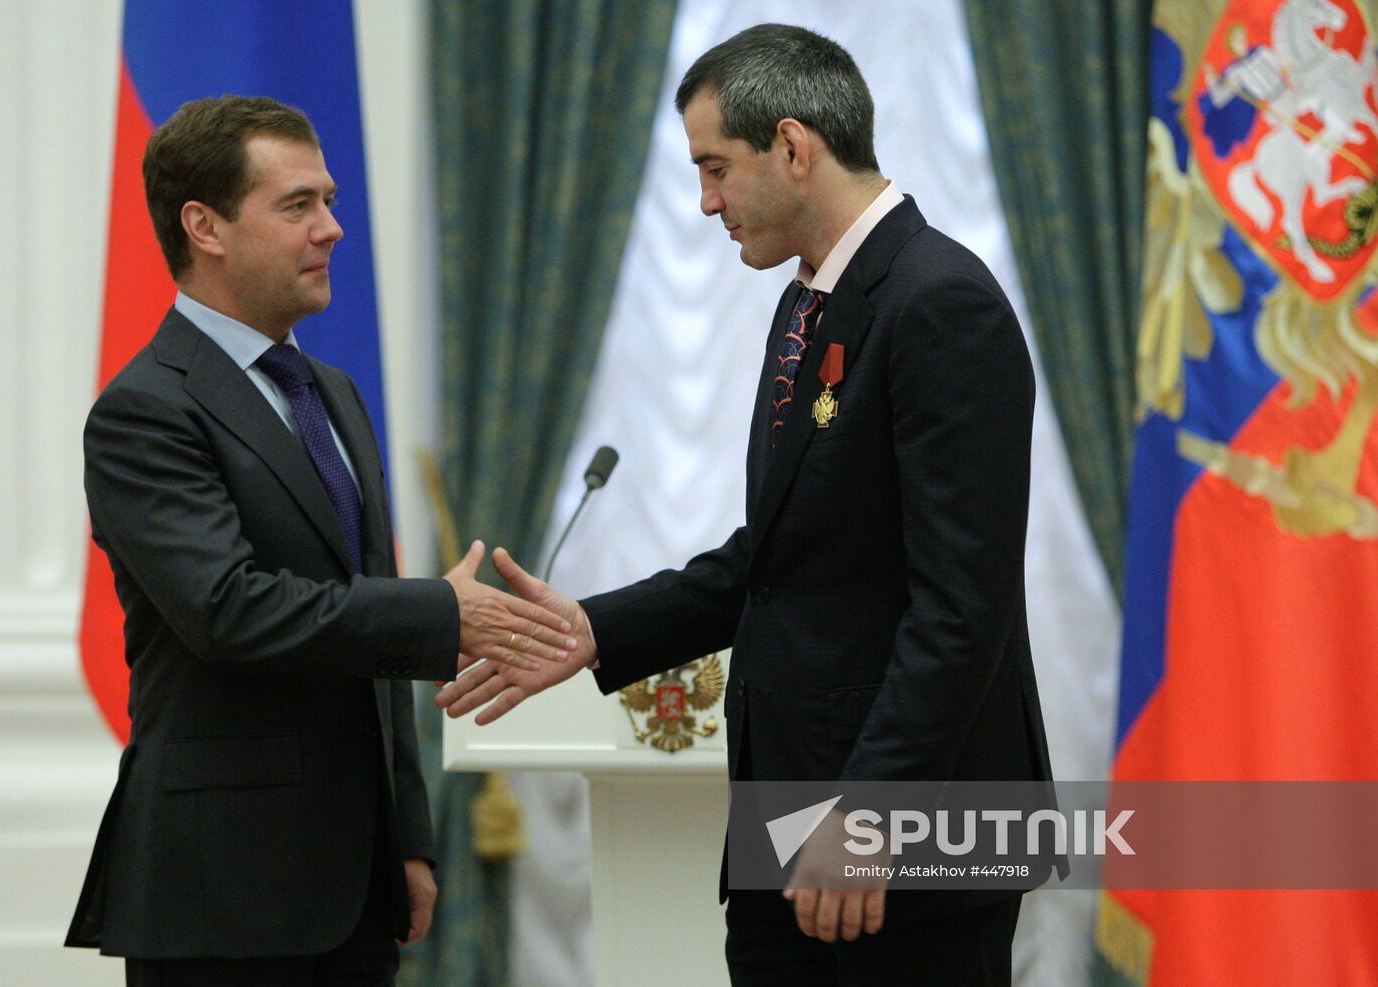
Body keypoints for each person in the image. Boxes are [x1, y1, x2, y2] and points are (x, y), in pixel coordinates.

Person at [437, 24, 1055, 987]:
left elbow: (960, 608)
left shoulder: (939, 302)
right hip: (792, 825)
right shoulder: (809, 299)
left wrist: (869, 812)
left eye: (716, 167)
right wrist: (594, 629)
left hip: (904, 841)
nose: (706, 201)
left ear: (795, 148)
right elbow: (777, 556)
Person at [65, 94, 575, 986]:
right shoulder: (145, 410)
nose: (333, 229)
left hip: (355, 883)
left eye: (329, 201)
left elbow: (364, 635)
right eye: (297, 205)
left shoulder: (331, 392)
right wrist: (439, 614)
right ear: (205, 226)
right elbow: (229, 610)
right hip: (222, 894)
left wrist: (407, 836)